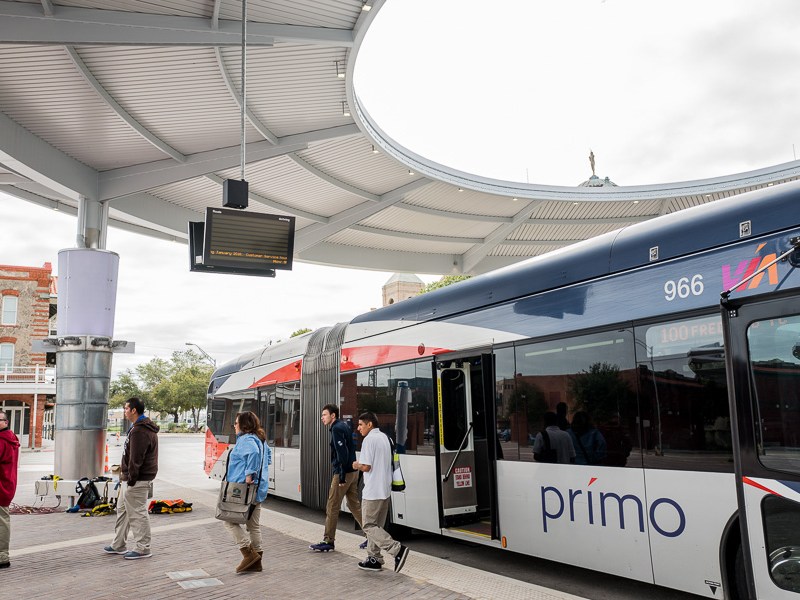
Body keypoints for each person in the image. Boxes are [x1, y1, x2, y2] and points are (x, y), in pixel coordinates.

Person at [351, 411, 409, 573]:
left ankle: (397, 550)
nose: (358, 428)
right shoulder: (386, 438)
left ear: (370, 424)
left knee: (368, 525)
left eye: (361, 424)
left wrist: (356, 465)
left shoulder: (369, 440)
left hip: (373, 491)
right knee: (376, 526)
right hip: (385, 490)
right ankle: (374, 559)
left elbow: (366, 466)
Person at [104, 397, 159, 559]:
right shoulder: (138, 428)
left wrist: (131, 479)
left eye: (126, 408)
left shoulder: (140, 431)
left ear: (134, 410)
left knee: (138, 512)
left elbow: (135, 459)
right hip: (129, 478)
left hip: (136, 479)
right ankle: (119, 544)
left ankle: (143, 547)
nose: (124, 411)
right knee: (122, 510)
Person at [309, 404, 363, 552]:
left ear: (333, 416)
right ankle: (372, 536)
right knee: (354, 506)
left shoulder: (337, 429)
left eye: (325, 415)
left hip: (343, 473)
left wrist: (341, 477)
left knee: (332, 506)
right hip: (352, 471)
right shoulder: (343, 426)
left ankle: (328, 541)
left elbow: (342, 455)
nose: (322, 417)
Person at [223, 411, 271, 574]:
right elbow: (268, 457)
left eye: (236, 423)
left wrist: (250, 474)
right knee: (253, 526)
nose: (234, 426)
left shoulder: (246, 439)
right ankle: (257, 562)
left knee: (229, 521)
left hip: (242, 489)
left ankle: (248, 554)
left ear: (243, 425)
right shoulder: (261, 439)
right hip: (258, 490)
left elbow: (254, 454)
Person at [0, 410, 20, 569]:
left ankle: (2, 557)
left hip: (1, 488)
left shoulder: (2, 441)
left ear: (6, 422)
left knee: (2, 523)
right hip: (7, 486)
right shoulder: (10, 438)